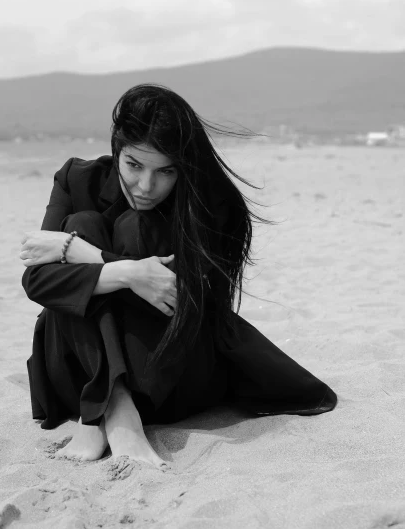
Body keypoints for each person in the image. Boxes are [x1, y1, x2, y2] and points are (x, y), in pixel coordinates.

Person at [20, 84, 337, 468]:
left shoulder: (211, 204)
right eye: (134, 165)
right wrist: (126, 272)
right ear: (117, 149)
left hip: (172, 375)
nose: (146, 186)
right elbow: (36, 282)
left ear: (182, 167)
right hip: (75, 376)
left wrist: (84, 254)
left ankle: (105, 412)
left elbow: (185, 303)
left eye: (165, 171)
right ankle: (115, 405)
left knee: (133, 226)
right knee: (83, 222)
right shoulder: (77, 179)